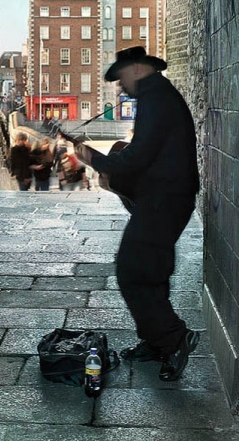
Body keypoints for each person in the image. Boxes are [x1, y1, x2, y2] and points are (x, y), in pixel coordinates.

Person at [75, 46, 200, 382]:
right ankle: (155, 340)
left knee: (132, 270)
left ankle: (174, 338)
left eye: (120, 78)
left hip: (164, 200)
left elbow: (138, 157)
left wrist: (94, 159)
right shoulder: (158, 96)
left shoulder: (157, 99)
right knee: (152, 270)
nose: (119, 86)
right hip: (165, 198)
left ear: (135, 69)